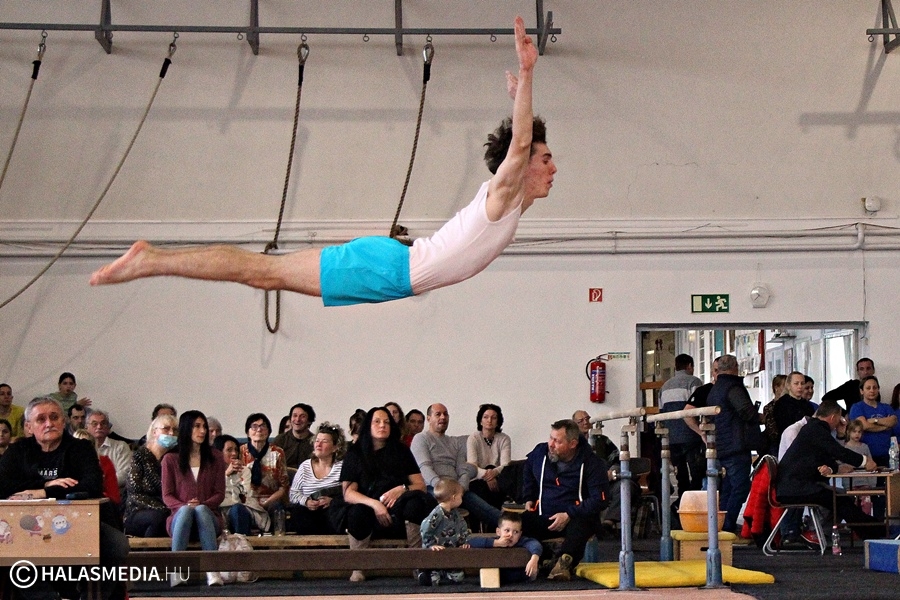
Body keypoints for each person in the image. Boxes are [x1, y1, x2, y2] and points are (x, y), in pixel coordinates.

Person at [89, 16, 554, 310]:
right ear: (523, 164)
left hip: (392, 272)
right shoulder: (501, 196)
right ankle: (151, 260)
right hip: (390, 271)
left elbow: (519, 142)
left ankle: (154, 260)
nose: (554, 169)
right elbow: (518, 146)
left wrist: (521, 103)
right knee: (262, 273)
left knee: (264, 274)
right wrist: (528, 74)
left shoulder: (514, 204)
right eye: (547, 158)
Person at [0, 397, 129, 600]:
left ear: (63, 421)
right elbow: (3, 486)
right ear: (29, 426)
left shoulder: (81, 448)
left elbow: (92, 486)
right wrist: (46, 484)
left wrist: (43, 492)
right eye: (41, 419)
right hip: (24, 527)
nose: (49, 423)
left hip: (79, 522)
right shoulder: (18, 450)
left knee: (117, 544)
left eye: (54, 417)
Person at [340, 407, 435, 582]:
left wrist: (402, 489)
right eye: (377, 422)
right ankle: (358, 567)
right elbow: (348, 493)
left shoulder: (401, 450)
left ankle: (418, 564)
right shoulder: (355, 452)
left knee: (416, 503)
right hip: (369, 509)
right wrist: (375, 504)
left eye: (386, 422)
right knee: (356, 512)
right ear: (368, 425)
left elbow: (420, 485)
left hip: (399, 510)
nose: (382, 425)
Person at [776, 400, 882, 542]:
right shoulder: (817, 429)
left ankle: (872, 530)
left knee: (841, 497)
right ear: (833, 417)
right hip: (797, 487)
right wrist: (865, 461)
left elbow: (827, 456)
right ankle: (874, 531)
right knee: (839, 500)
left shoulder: (813, 428)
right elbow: (838, 451)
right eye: (839, 419)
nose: (840, 422)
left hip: (794, 485)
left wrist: (840, 438)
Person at [521, 419, 610, 581]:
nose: (551, 444)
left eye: (557, 441)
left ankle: (564, 563)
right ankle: (540, 559)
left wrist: (568, 514)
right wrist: (529, 496)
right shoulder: (540, 453)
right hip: (545, 515)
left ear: (573, 444)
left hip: (575, 519)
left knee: (585, 522)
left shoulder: (592, 463)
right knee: (520, 523)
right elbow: (527, 468)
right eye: (551, 438)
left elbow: (600, 500)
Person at [161, 410, 227, 586]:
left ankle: (213, 572)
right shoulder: (170, 459)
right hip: (180, 520)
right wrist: (185, 506)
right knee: (185, 511)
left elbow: (219, 493)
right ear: (186, 429)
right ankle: (177, 572)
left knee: (201, 510)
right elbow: (167, 496)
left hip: (209, 518)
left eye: (204, 426)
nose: (203, 431)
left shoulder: (216, 457)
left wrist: (201, 504)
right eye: (197, 426)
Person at [411, 403, 501, 530]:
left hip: (456, 488)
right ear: (429, 418)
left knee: (487, 509)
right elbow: (424, 467)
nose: (443, 417)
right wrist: (442, 487)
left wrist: (461, 488)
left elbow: (462, 469)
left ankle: (516, 527)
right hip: (432, 488)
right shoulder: (421, 438)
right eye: (438, 414)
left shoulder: (455, 442)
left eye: (445, 414)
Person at [706, 354, 758, 534]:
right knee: (740, 486)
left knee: (728, 487)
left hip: (722, 443)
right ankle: (727, 524)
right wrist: (758, 417)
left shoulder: (715, 389)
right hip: (736, 444)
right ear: (735, 367)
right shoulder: (733, 387)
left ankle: (721, 525)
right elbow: (746, 411)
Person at [658, 354, 704, 502]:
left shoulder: (664, 387)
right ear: (689, 366)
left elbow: (661, 413)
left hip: (671, 437)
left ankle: (682, 503)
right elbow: (700, 407)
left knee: (681, 475)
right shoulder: (694, 382)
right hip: (691, 436)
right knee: (697, 473)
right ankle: (693, 504)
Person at [289, 422, 348, 534]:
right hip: (309, 512)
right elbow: (293, 494)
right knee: (298, 512)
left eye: (324, 441)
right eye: (317, 441)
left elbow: (350, 493)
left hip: (332, 512)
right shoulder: (305, 466)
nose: (318, 444)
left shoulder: (342, 467)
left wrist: (333, 501)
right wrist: (306, 501)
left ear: (335, 447)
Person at [126, 413, 178, 538]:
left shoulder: (174, 458)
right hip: (138, 510)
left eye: (175, 430)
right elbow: (135, 493)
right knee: (160, 518)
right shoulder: (139, 456)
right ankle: (149, 550)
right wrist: (164, 507)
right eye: (166, 429)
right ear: (154, 432)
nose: (171, 433)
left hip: (169, 509)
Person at [239, 413, 290, 531]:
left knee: (277, 507)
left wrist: (267, 502)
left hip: (270, 499)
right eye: (254, 426)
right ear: (248, 432)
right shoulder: (240, 452)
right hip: (246, 501)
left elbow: (283, 487)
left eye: (263, 426)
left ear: (268, 431)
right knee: (238, 509)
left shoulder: (277, 452)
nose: (259, 429)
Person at [418, 478, 471, 586]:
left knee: (459, 578)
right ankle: (428, 572)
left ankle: (447, 571)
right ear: (454, 497)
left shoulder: (455, 514)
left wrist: (463, 542)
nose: (462, 499)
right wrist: (431, 544)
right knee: (432, 581)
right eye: (461, 496)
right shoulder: (436, 514)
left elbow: (462, 527)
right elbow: (425, 528)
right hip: (435, 553)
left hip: (450, 553)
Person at [214, 433, 269, 534]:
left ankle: (242, 542)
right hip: (219, 510)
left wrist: (235, 479)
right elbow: (215, 497)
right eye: (229, 450)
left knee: (237, 509)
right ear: (219, 453)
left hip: (241, 508)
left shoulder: (244, 471)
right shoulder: (211, 472)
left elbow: (244, 497)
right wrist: (226, 475)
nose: (234, 453)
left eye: (236, 450)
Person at [468, 510, 542, 584]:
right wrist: (497, 543)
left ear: (520, 534)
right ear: (498, 532)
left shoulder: (521, 541)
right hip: (497, 577)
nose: (511, 535)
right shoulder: (495, 541)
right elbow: (472, 541)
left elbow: (535, 544)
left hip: (520, 579)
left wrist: (534, 559)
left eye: (515, 532)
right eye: (507, 530)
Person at [467, 403, 512, 511]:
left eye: (494, 418)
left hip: (498, 477)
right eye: (486, 417)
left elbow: (506, 464)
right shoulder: (473, 438)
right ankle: (495, 518)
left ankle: (495, 518)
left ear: (498, 421)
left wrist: (494, 473)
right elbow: (472, 465)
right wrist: (487, 476)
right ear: (480, 421)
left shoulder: (504, 439)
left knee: (503, 481)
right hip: (478, 478)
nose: (489, 420)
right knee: (483, 489)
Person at [848, 375, 898, 466]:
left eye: (875, 388)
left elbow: (893, 421)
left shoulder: (886, 407)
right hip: (864, 456)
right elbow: (864, 426)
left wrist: (875, 420)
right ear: (862, 391)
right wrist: (885, 426)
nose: (872, 390)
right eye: (868, 388)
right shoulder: (857, 407)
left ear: (878, 389)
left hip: (887, 456)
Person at [87, 409, 133, 499]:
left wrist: (99, 484)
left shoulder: (120, 446)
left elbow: (125, 474)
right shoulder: (80, 448)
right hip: (86, 496)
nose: (99, 427)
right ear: (86, 427)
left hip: (115, 496)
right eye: (94, 424)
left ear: (108, 427)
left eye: (103, 423)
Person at [72, 428, 122, 507]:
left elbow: (114, 497)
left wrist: (100, 495)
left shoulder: (104, 462)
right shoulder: (66, 464)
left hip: (100, 506)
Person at [773, 372, 815, 452]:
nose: (800, 386)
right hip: (788, 445)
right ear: (788, 386)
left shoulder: (808, 405)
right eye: (796, 383)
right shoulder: (781, 404)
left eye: (802, 383)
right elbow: (784, 427)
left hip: (806, 444)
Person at [273, 402, 316, 468]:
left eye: (302, 416)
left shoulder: (315, 442)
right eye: (295, 416)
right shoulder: (280, 440)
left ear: (309, 421)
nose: (297, 419)